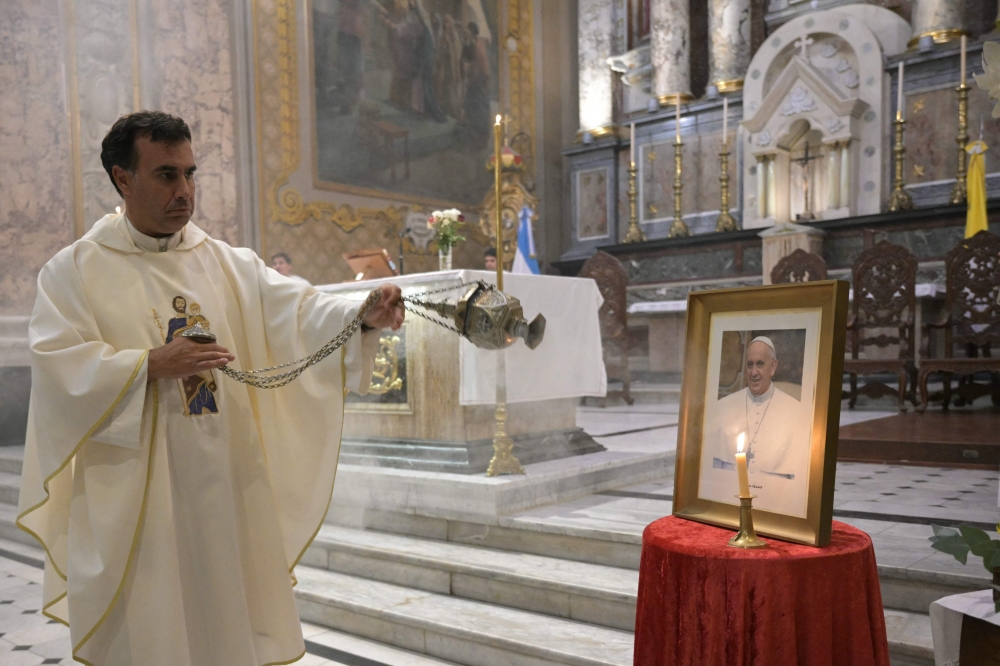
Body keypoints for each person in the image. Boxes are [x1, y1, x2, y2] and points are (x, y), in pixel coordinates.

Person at [17, 110, 404, 666]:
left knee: (224, 620)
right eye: (167, 175)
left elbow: (297, 310)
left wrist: (362, 314)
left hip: (224, 480)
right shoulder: (72, 271)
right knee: (154, 628)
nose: (185, 191)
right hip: (140, 494)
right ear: (123, 179)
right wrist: (150, 363)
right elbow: (59, 366)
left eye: (191, 174)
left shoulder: (224, 262)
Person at [703, 336, 811, 514]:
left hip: (777, 506)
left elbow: (797, 481)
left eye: (760, 364)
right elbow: (713, 473)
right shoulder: (724, 407)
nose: (754, 372)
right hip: (730, 504)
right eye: (749, 365)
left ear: (773, 367)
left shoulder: (796, 411)